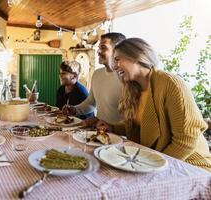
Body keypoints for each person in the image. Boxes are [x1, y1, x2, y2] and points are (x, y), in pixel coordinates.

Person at [101, 38, 211, 171]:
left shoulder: (170, 84)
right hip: (154, 162)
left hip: (190, 166)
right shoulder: (133, 89)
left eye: (118, 59)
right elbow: (142, 128)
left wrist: (152, 164)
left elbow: (186, 140)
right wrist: (111, 127)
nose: (114, 66)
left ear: (136, 56)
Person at [63, 33, 126, 126]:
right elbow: (91, 103)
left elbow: (133, 119)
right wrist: (75, 110)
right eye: (99, 47)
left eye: (103, 47)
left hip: (120, 138)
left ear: (117, 50)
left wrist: (112, 127)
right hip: (98, 133)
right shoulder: (97, 74)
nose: (98, 51)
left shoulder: (126, 77)